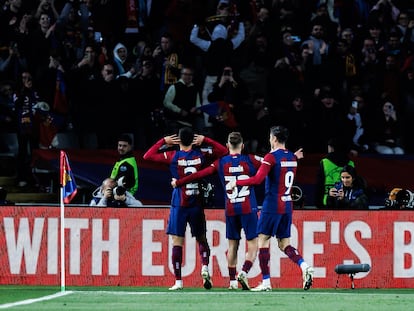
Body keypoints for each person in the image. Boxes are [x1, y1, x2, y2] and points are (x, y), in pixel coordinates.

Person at [171, 131, 262, 290]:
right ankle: (244, 271)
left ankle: (232, 281)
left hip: (231, 208)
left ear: (228, 146)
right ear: (242, 145)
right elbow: (271, 165)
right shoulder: (251, 160)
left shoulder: (220, 162)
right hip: (248, 207)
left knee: (232, 245)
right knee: (253, 243)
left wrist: (180, 182)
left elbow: (199, 174)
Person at [229, 125, 314, 291]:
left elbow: (257, 179)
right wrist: (294, 157)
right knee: (284, 244)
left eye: (270, 137)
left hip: (272, 204)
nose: (269, 140)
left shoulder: (271, 157)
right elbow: (286, 164)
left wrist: (236, 182)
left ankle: (266, 282)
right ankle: (305, 267)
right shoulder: (291, 157)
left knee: (262, 241)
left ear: (274, 139)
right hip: (287, 204)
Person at [143, 127, 227, 290]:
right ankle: (205, 267)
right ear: (193, 140)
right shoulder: (201, 154)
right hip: (196, 202)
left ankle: (178, 281)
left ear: (179, 140)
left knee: (177, 242)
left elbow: (148, 156)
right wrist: (206, 140)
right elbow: (223, 152)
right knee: (201, 238)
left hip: (179, 204)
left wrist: (163, 142)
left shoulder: (172, 156)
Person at [314, 137, 355, 209]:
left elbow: (319, 185)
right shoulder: (351, 163)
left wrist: (318, 204)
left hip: (326, 203)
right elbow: (354, 185)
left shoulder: (324, 162)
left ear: (331, 148)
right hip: (346, 203)